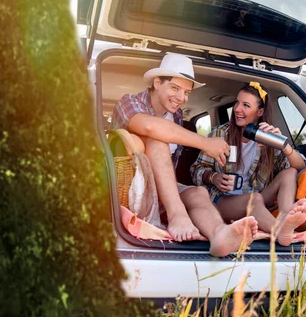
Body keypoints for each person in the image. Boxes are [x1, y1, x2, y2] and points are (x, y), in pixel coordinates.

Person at [110, 53, 258, 256]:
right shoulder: (129, 103)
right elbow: (150, 126)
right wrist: (205, 143)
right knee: (156, 140)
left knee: (199, 193)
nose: (182, 98)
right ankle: (177, 216)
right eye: (175, 88)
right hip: (130, 190)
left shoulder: (177, 115)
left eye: (187, 92)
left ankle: (219, 234)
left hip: (163, 192)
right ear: (157, 82)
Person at [191, 82, 306, 246]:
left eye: (246, 105)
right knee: (253, 199)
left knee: (289, 173)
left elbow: (301, 166)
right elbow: (196, 169)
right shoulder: (220, 133)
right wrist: (213, 177)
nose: (237, 109)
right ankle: (279, 231)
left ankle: (285, 217)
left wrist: (282, 145)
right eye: (237, 103)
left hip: (259, 199)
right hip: (224, 202)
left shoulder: (267, 139)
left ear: (259, 112)